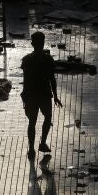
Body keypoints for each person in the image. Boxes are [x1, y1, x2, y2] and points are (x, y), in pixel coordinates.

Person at [20, 31, 62, 160]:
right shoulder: (48, 59)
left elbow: (26, 81)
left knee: (32, 121)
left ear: (32, 43)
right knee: (47, 117)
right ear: (43, 43)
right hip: (44, 94)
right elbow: (52, 79)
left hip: (32, 95)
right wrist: (55, 95)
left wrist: (25, 97)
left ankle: (31, 149)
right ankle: (42, 143)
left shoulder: (27, 60)